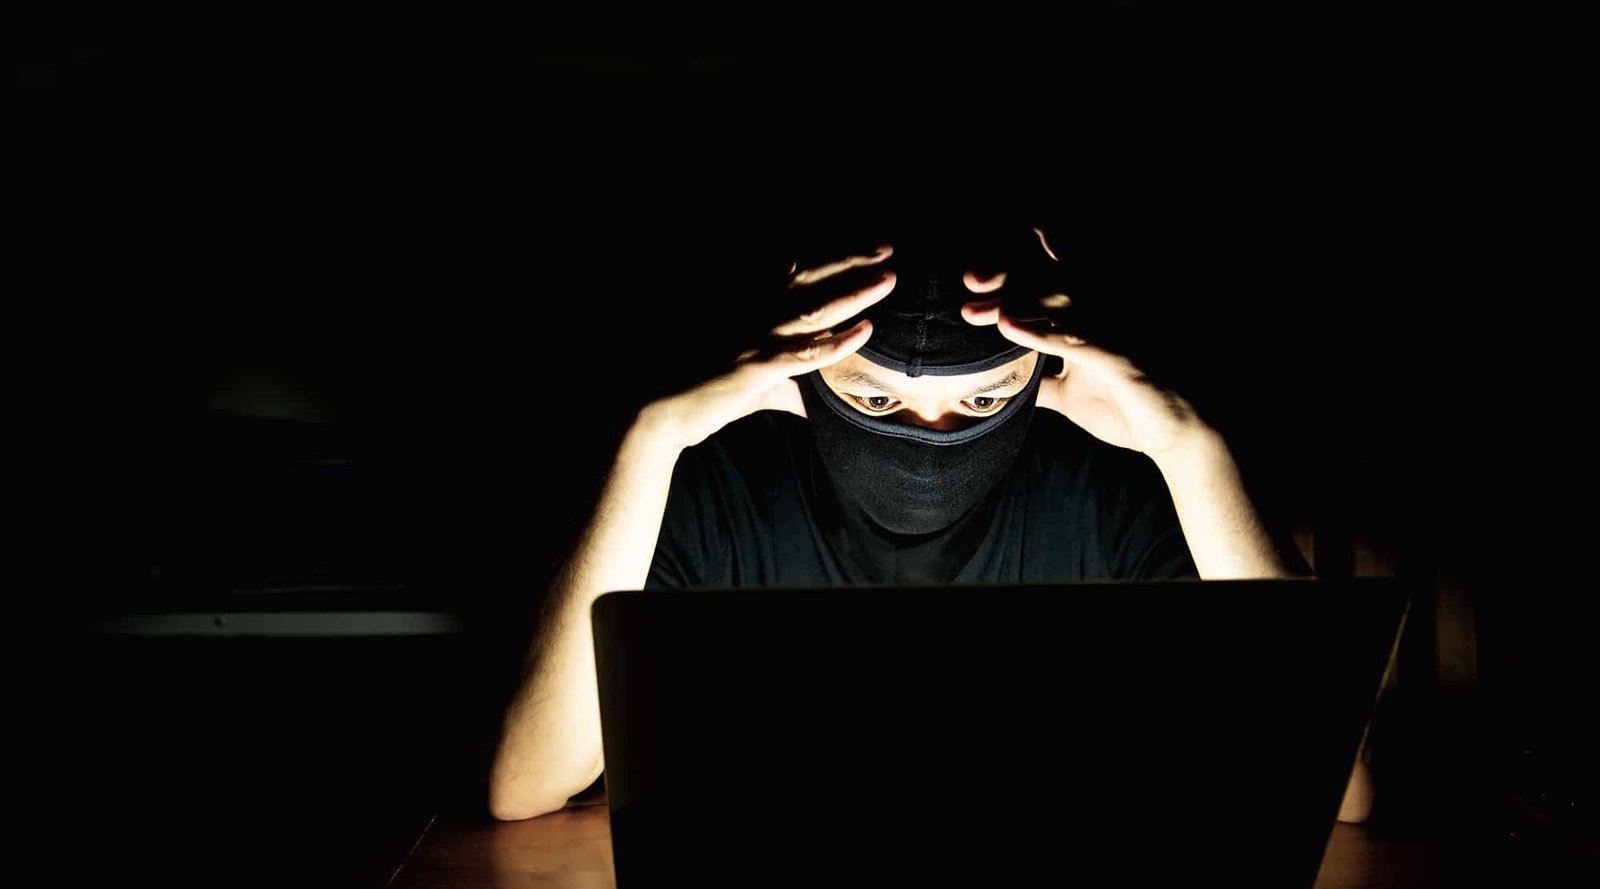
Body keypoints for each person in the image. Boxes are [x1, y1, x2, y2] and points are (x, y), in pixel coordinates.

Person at [488, 215, 1337, 823]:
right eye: (875, 399)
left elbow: (1337, 790)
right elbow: (527, 785)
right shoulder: (717, 488)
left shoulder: (1113, 490)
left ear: (1039, 376)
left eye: (983, 399)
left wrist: (1191, 450)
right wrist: (650, 440)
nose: (931, 439)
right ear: (803, 374)